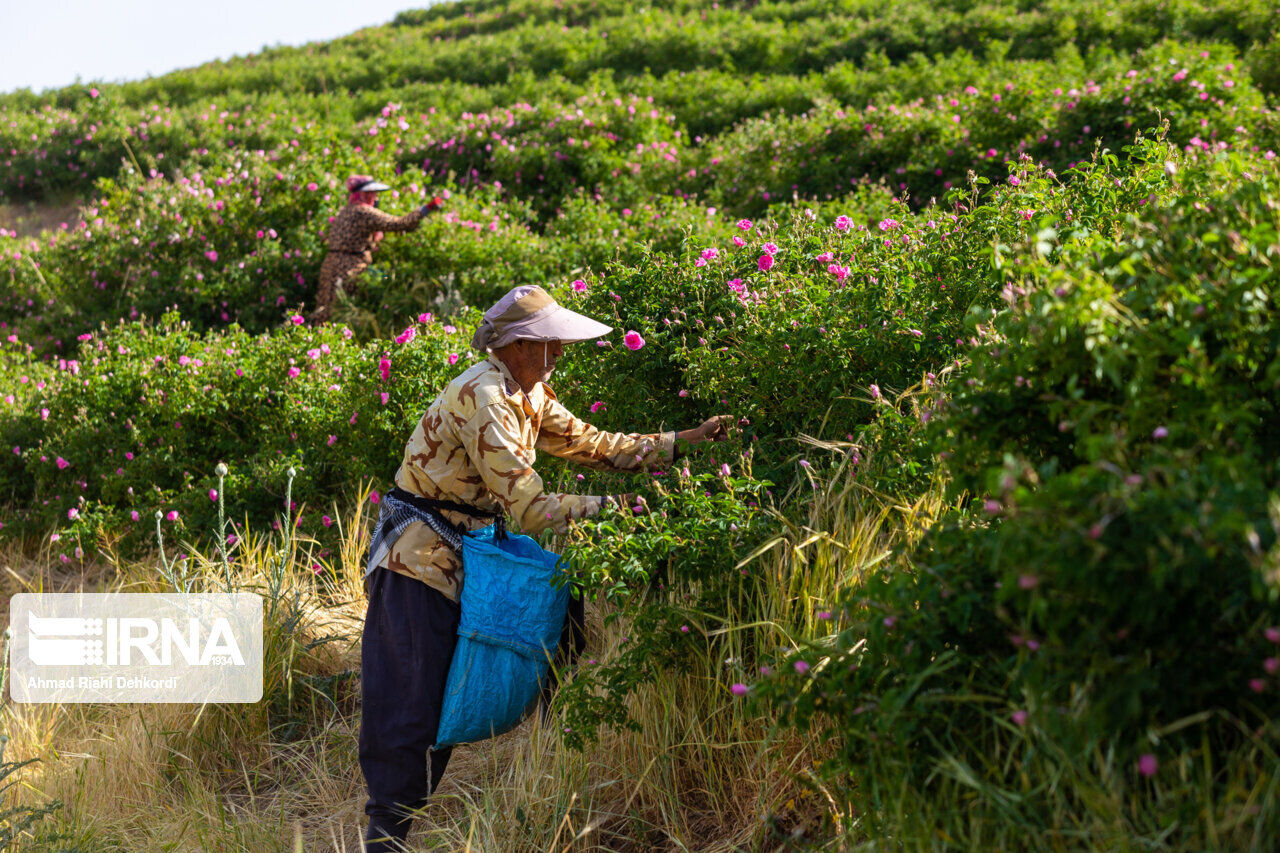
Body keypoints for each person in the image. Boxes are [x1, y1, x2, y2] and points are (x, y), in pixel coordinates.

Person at [359, 284, 730, 851]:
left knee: (515, 659)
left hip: (468, 553)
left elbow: (594, 444)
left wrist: (682, 443)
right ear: (513, 345)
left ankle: (544, 777)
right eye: (546, 344)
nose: (556, 355)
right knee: (410, 704)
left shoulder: (527, 392)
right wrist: (621, 508)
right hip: (418, 563)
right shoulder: (487, 398)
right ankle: (385, 838)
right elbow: (531, 510)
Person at [311, 175, 444, 322]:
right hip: (350, 269)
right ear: (362, 194)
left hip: (330, 268)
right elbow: (399, 223)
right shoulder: (364, 212)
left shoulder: (346, 211)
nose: (374, 197)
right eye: (371, 193)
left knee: (324, 311)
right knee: (348, 311)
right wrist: (427, 208)